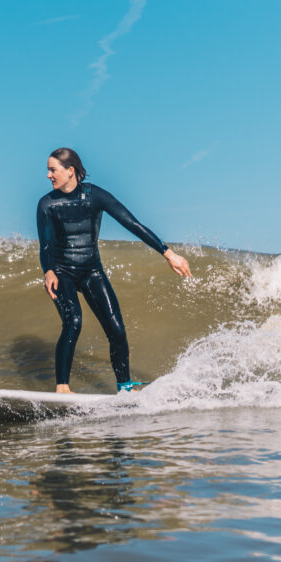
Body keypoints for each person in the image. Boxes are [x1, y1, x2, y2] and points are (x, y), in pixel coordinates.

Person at [37, 148, 191, 394]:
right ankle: (62, 387)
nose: (48, 175)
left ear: (70, 171)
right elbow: (45, 246)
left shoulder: (95, 195)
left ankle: (125, 386)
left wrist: (168, 253)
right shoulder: (47, 204)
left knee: (116, 329)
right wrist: (49, 271)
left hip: (91, 271)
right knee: (73, 321)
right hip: (62, 271)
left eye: (52, 169)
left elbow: (132, 223)